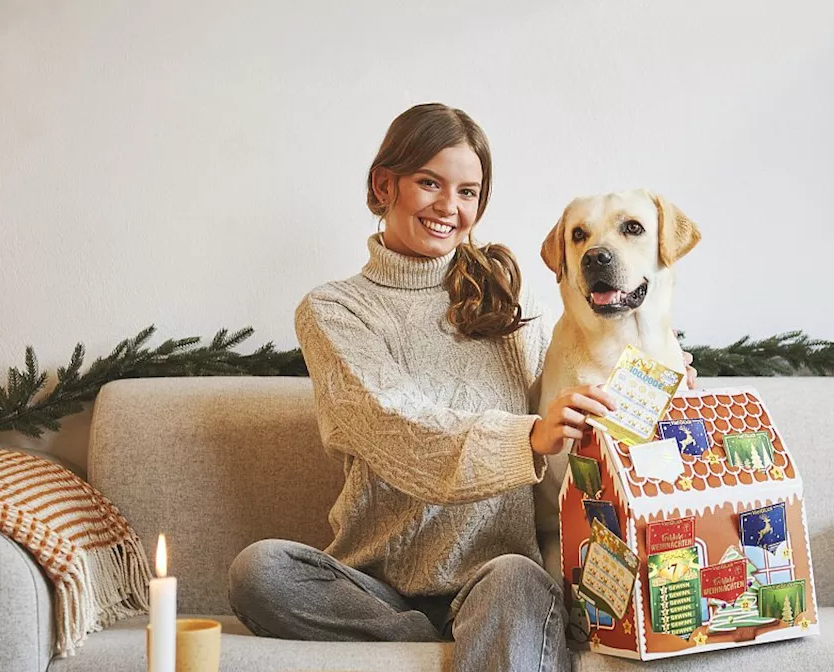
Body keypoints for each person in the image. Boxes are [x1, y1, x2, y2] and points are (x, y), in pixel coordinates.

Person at [226, 102, 693, 672]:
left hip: (496, 574)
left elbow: (589, 410)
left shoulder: (514, 311)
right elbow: (398, 432)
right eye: (429, 183)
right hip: (377, 584)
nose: (449, 206)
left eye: (468, 192)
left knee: (518, 577)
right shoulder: (335, 311)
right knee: (260, 571)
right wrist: (528, 438)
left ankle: (486, 625)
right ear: (384, 184)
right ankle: (437, 635)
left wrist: (667, 383)